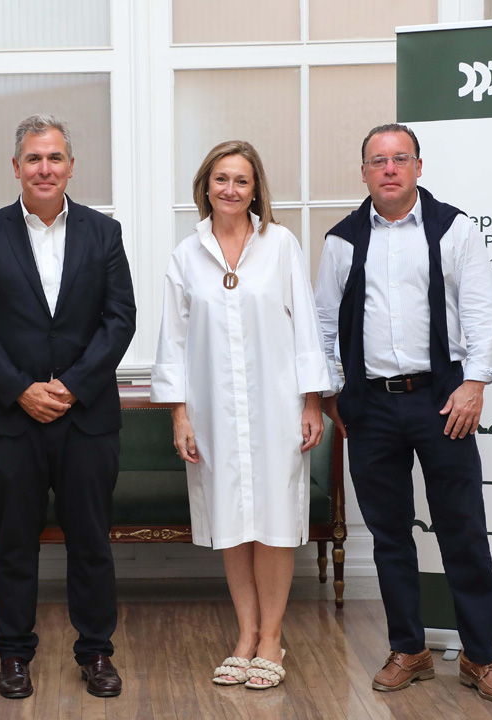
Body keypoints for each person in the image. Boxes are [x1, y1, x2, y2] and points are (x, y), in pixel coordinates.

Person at [314, 123, 492, 703]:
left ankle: (481, 658)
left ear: (419, 167)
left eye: (400, 158)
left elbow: (481, 312)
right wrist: (336, 397)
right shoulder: (342, 241)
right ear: (364, 173)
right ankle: (410, 649)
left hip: (443, 402)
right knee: (389, 536)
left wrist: (474, 384)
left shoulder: (455, 229)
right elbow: (326, 325)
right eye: (378, 160)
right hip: (371, 407)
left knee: (463, 531)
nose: (390, 168)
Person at [0, 115, 136, 699]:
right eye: (33, 159)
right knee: (13, 541)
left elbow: (119, 320)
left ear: (71, 166)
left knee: (91, 541)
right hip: (10, 418)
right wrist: (22, 390)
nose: (44, 168)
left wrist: (73, 386)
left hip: (86, 417)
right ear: (16, 167)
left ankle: (96, 652)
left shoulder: (104, 234)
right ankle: (13, 655)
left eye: (55, 157)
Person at [151, 140, 332, 690]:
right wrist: (180, 416)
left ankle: (273, 638)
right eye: (221, 179)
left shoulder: (280, 245)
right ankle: (245, 635)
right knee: (232, 524)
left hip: (278, 407)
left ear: (257, 190)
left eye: (242, 181)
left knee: (274, 525)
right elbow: (174, 342)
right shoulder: (187, 254)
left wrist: (312, 402)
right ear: (206, 185)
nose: (231, 189)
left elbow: (305, 324)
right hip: (213, 411)